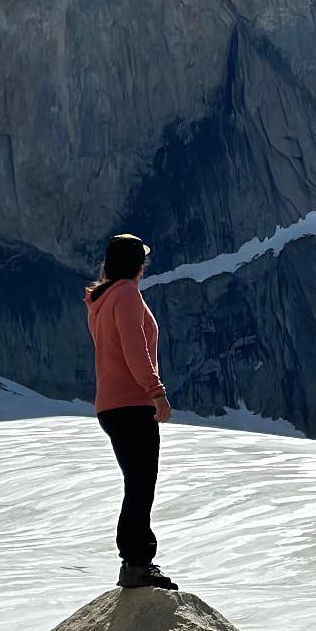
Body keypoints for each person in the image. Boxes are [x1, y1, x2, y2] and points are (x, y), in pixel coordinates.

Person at [86, 233, 177, 590]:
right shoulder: (125, 294)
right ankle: (137, 563)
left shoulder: (103, 299)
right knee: (141, 484)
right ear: (138, 264)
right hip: (131, 402)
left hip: (111, 404)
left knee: (136, 483)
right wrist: (157, 393)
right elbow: (135, 350)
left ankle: (134, 561)